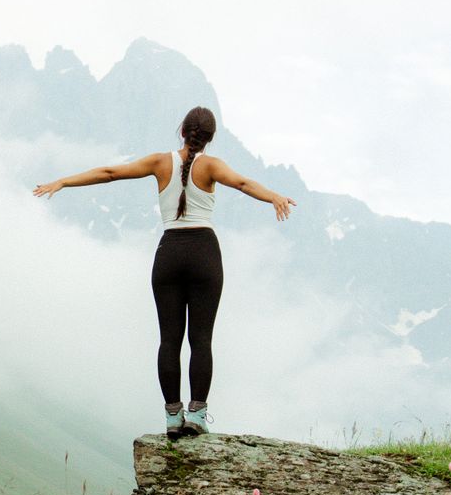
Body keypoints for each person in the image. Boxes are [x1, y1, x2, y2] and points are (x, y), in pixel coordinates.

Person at [33, 106, 296, 437]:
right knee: (201, 339)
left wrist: (63, 181)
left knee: (169, 339)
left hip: (169, 253)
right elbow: (242, 183)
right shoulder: (212, 166)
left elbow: (110, 172)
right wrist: (273, 196)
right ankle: (197, 416)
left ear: (182, 131)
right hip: (204, 253)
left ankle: (173, 417)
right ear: (210, 138)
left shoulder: (160, 163)